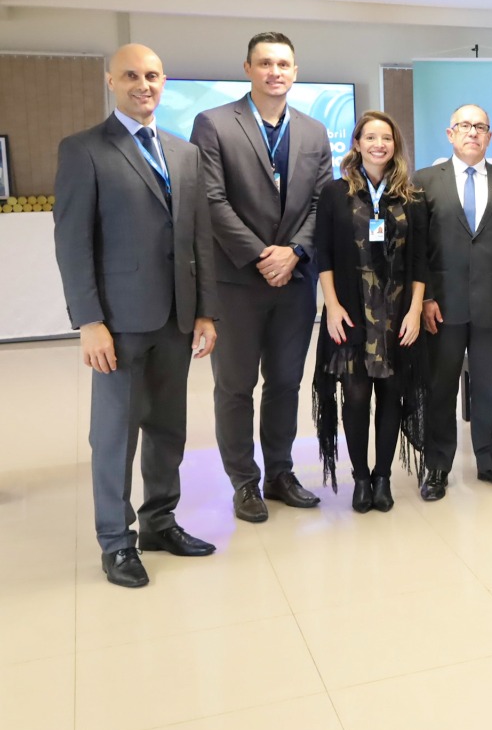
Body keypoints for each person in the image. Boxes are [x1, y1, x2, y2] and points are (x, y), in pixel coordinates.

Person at [54, 44, 219, 587]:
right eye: (131, 75)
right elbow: (73, 242)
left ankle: (159, 522)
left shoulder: (184, 153)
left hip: (177, 318)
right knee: (115, 436)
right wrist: (89, 321)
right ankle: (116, 541)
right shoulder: (84, 150)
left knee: (169, 430)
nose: (142, 84)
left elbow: (199, 240)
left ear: (164, 82)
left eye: (151, 75)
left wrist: (205, 313)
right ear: (111, 81)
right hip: (118, 323)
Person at [191, 32, 331, 523]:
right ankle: (244, 482)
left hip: (294, 281)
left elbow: (322, 203)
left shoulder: (314, 132)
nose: (276, 72)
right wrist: (259, 256)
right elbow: (210, 199)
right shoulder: (212, 124)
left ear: (295, 71)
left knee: (286, 383)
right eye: (266, 63)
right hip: (237, 282)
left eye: (284, 64)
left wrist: (293, 252)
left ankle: (280, 472)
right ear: (248, 68)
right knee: (234, 386)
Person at [413, 104, 492, 500]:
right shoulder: (426, 180)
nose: (472, 133)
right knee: (441, 388)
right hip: (441, 308)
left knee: (486, 388)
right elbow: (417, 249)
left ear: (489, 136)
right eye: (464, 126)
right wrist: (425, 297)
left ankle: (490, 461)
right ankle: (437, 466)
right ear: (450, 134)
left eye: (480, 127)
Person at [312, 112, 430, 513]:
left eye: (387, 137)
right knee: (357, 397)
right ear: (357, 143)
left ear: (395, 145)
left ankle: (383, 477)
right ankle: (360, 477)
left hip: (398, 314)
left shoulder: (410, 197)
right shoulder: (335, 193)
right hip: (352, 311)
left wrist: (415, 311)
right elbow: (323, 254)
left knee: (393, 396)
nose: (379, 144)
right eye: (371, 137)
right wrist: (330, 306)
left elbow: (419, 263)